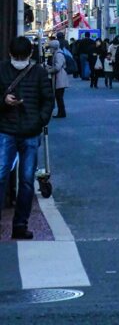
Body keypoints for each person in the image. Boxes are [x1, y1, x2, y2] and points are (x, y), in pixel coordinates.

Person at [0, 35, 53, 239]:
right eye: (17, 56)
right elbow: (48, 100)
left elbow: (48, 100)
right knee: (2, 175)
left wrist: (39, 121)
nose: (20, 60)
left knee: (27, 180)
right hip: (7, 130)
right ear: (11, 54)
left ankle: (20, 224)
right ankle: (18, 224)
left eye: (23, 56)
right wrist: (4, 101)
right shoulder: (3, 70)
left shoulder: (38, 73)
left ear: (30, 55)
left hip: (29, 132)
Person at [46, 39, 69, 117]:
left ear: (54, 47)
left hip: (60, 77)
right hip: (60, 77)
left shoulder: (58, 54)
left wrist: (49, 70)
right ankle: (61, 112)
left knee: (59, 96)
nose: (50, 49)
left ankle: (61, 112)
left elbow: (57, 67)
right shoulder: (58, 53)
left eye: (51, 48)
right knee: (59, 96)